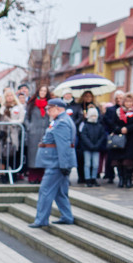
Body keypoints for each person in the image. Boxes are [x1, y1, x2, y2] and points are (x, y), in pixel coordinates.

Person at [29, 98, 76, 227]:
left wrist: (64, 165)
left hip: (56, 163)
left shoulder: (61, 122)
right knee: (60, 192)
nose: (48, 112)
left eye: (50, 109)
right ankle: (67, 216)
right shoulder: (60, 120)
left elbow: (63, 146)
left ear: (58, 109)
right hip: (58, 162)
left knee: (46, 191)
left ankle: (41, 220)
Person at [24, 86, 52, 183]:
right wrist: (29, 127)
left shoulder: (49, 105)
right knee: (33, 155)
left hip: (45, 133)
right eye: (41, 90)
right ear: (38, 91)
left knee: (43, 155)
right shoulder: (32, 104)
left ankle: (41, 177)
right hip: (33, 133)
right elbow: (26, 118)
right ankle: (32, 177)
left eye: (45, 90)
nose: (43, 92)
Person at [77, 106, 107, 186]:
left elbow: (102, 136)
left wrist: (97, 145)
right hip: (87, 148)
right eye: (92, 116)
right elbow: (83, 136)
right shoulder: (85, 125)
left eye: (95, 116)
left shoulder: (99, 126)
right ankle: (87, 179)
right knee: (87, 164)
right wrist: (90, 145)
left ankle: (93, 178)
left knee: (95, 164)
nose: (93, 117)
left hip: (96, 148)